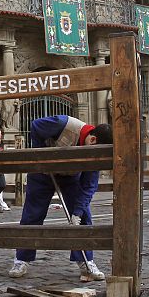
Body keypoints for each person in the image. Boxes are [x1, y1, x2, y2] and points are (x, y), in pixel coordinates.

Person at [9, 115, 113, 281]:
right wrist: (43, 157)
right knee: (32, 215)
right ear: (92, 140)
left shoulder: (96, 153)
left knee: (84, 217)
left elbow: (88, 187)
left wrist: (77, 213)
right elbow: (35, 125)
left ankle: (86, 261)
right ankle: (22, 259)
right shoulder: (64, 124)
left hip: (70, 177)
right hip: (42, 174)